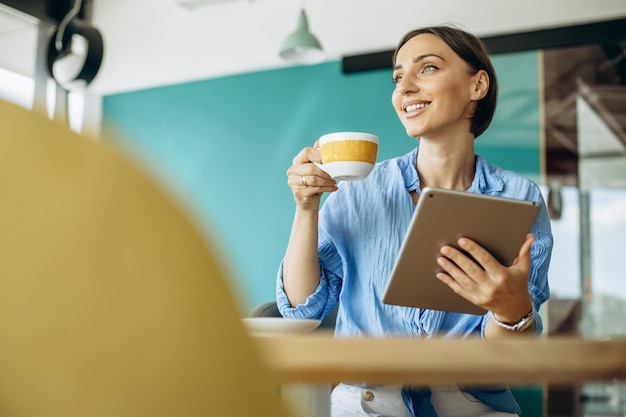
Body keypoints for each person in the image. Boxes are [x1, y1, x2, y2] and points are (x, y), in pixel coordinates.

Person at [276, 25, 553, 417]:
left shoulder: (519, 197)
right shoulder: (356, 190)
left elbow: (509, 355)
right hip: (365, 404)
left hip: (471, 404)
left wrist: (512, 311)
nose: (403, 87)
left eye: (427, 68)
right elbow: (302, 309)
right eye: (398, 75)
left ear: (478, 85)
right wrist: (306, 208)